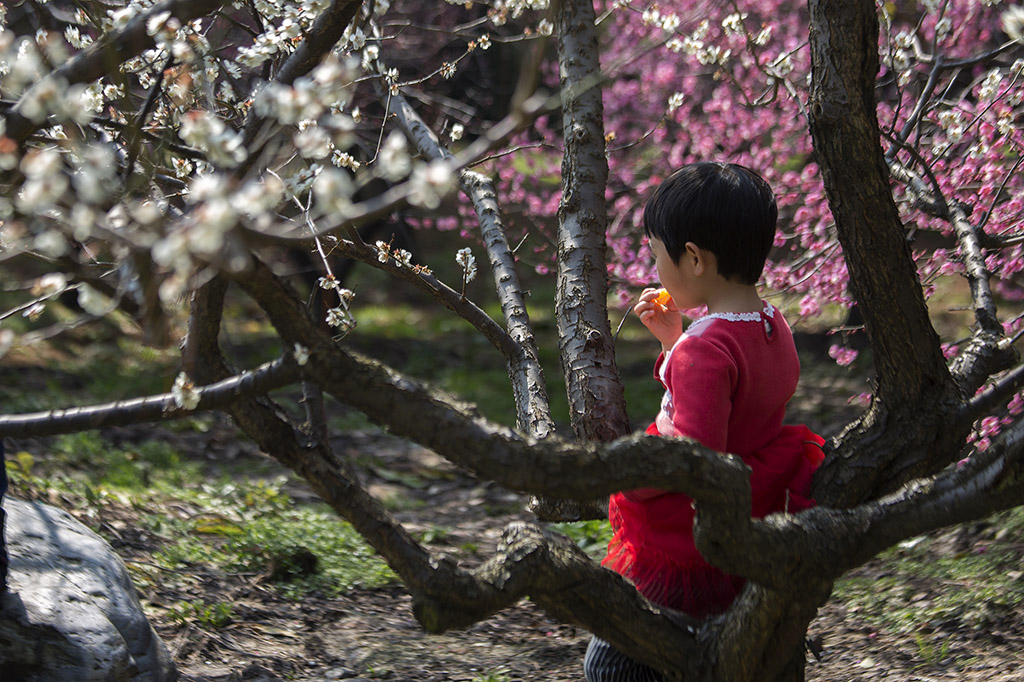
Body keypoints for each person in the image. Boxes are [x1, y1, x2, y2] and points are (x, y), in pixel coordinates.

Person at [584, 162, 825, 682]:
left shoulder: (706, 349)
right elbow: (738, 401)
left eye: (655, 255)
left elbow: (697, 458)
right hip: (756, 501)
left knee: (613, 660)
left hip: (686, 534)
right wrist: (676, 340)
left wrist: (627, 476)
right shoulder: (771, 324)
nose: (654, 269)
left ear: (693, 258)